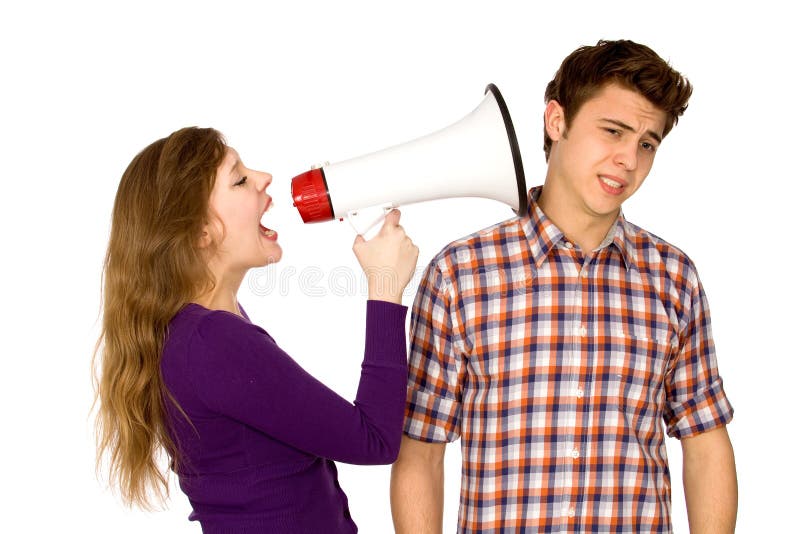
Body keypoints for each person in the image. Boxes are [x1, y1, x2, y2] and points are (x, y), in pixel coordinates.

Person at [391, 40, 737, 533]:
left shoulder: (673, 278)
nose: (628, 160)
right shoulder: (459, 274)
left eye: (647, 143)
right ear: (557, 121)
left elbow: (705, 444)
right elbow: (420, 452)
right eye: (612, 131)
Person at [93, 126, 419, 533]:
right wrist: (386, 288)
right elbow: (375, 439)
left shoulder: (198, 335)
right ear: (200, 232)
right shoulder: (213, 343)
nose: (264, 177)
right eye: (240, 179)